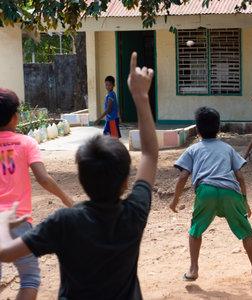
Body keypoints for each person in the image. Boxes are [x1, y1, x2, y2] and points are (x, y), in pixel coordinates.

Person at [0, 52, 158, 300]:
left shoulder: (65, 221)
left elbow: (6, 252)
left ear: (82, 179)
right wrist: (141, 96)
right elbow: (150, 154)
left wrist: (3, 222)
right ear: (126, 181)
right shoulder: (134, 212)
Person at [169, 106, 252, 286]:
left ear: (197, 131)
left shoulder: (193, 150)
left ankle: (193, 270)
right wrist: (245, 202)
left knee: (195, 230)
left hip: (206, 192)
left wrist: (175, 199)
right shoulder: (228, 149)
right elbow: (240, 176)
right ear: (219, 129)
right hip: (230, 192)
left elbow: (183, 175)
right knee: (246, 232)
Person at [0, 88, 73, 300]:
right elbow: (43, 178)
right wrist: (65, 198)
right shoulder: (26, 142)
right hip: (19, 221)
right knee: (29, 278)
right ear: (15, 117)